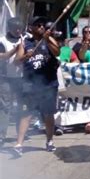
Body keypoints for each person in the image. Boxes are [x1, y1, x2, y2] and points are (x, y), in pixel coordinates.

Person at [14, 16, 60, 156]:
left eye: (42, 25)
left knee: (48, 113)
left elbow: (57, 52)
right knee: (26, 113)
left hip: (48, 83)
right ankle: (19, 143)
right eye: (37, 25)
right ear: (31, 28)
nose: (41, 27)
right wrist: (25, 56)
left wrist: (47, 39)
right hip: (30, 84)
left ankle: (49, 141)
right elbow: (16, 61)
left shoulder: (49, 39)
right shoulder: (25, 43)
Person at [0, 18, 24, 147]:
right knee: (5, 106)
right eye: (16, 28)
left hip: (21, 77)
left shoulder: (24, 39)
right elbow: (2, 56)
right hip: (6, 77)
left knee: (22, 106)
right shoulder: (2, 41)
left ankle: (20, 134)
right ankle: (1, 135)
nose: (18, 31)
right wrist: (14, 51)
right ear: (10, 28)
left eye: (20, 28)